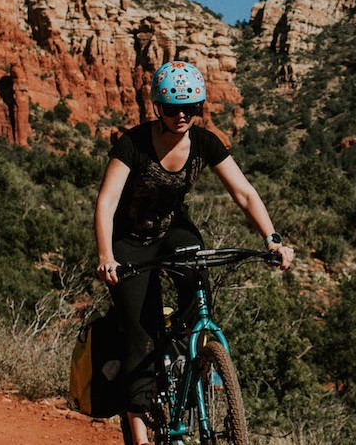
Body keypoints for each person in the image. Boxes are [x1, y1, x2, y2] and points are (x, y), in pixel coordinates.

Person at [93, 60, 294, 442]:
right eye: (172, 108)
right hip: (129, 241)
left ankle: (198, 356)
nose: (181, 115)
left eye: (191, 107)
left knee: (196, 271)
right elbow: (106, 202)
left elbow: (244, 192)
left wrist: (272, 238)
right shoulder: (132, 144)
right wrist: (106, 256)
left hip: (173, 230)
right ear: (157, 107)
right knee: (142, 339)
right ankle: (139, 430)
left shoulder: (204, 142)